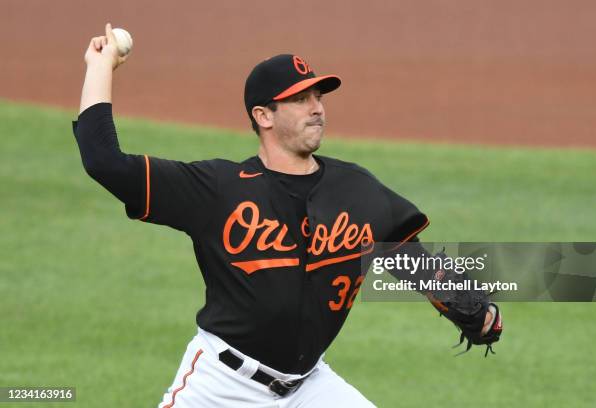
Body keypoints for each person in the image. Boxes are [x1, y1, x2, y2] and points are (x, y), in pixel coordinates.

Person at [73, 24, 502, 408]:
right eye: (299, 99)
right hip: (221, 387)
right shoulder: (217, 188)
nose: (316, 107)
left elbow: (412, 258)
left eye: (318, 95)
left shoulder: (356, 188)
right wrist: (100, 66)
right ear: (263, 116)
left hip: (309, 387)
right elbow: (105, 162)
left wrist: (471, 311)